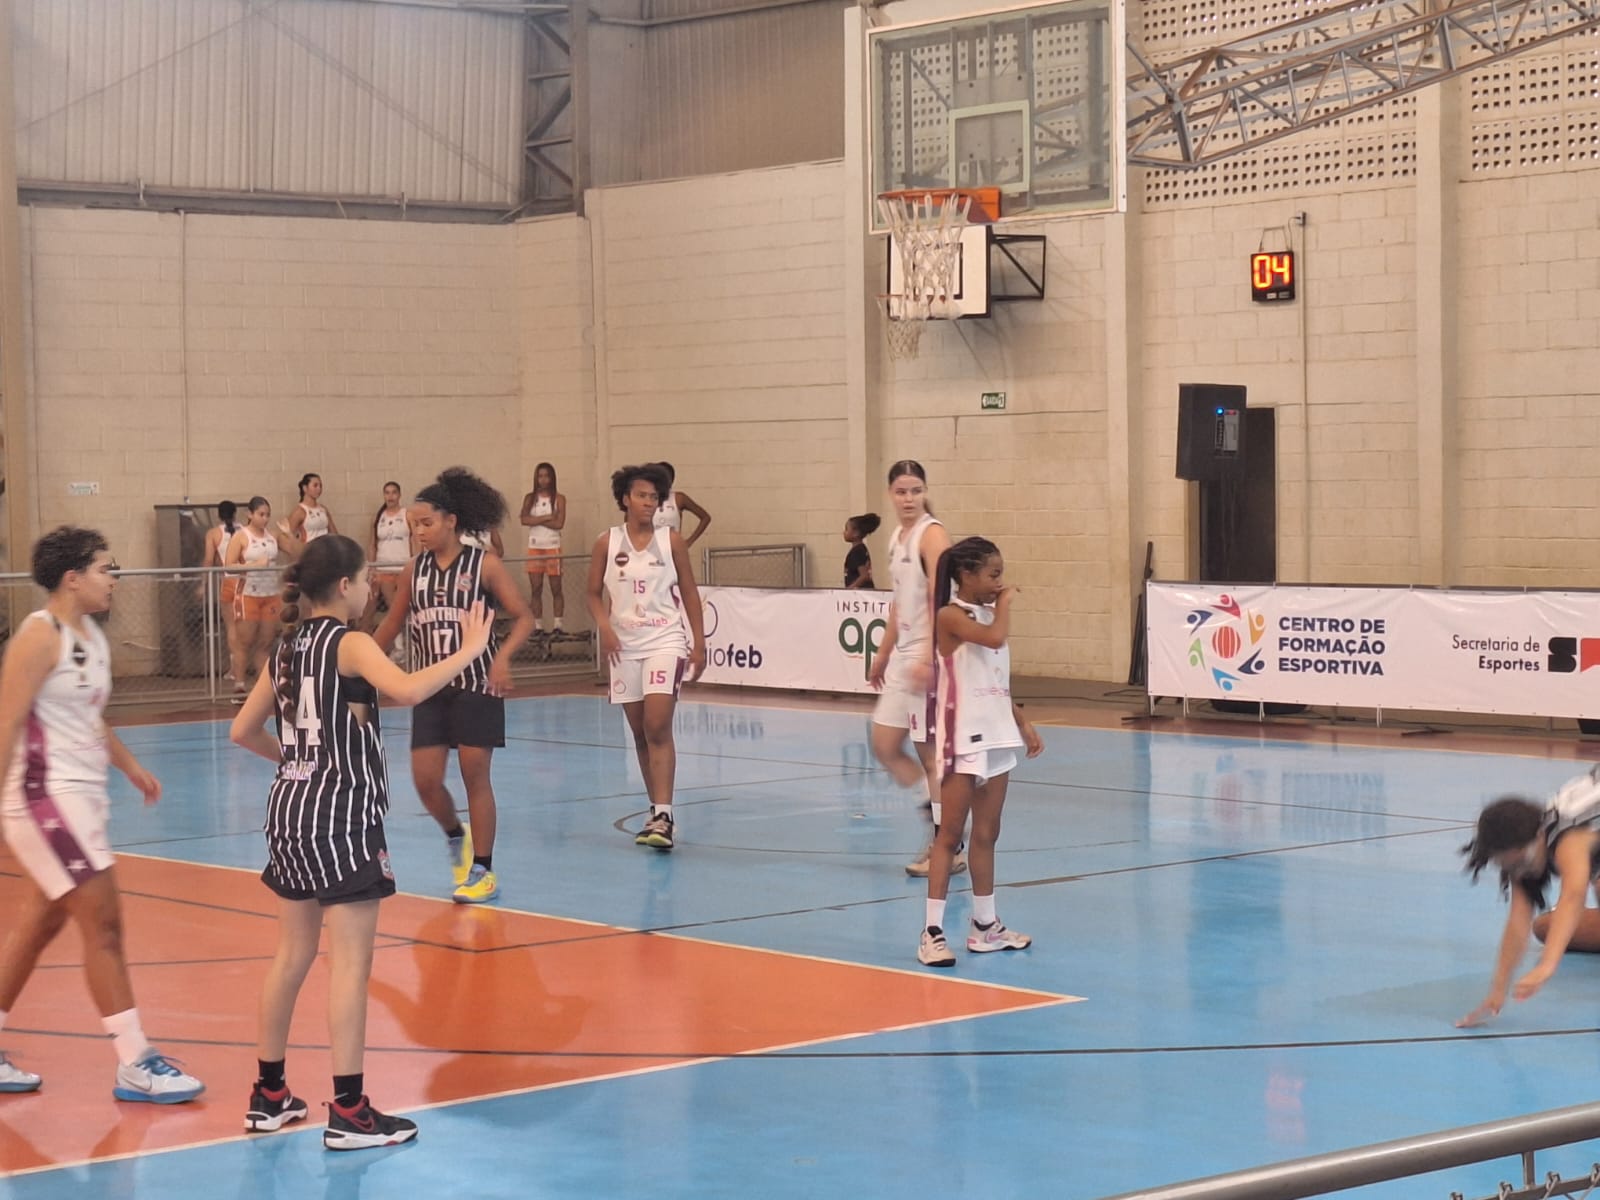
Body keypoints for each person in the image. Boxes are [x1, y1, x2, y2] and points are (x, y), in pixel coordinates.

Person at [231, 535, 493, 1149]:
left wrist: (297, 758)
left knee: (290, 956)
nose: (372, 585)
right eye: (367, 577)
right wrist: (471, 649)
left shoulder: (289, 646)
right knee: (350, 964)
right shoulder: (348, 643)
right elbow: (405, 690)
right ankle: (348, 1110)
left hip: (289, 810)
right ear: (346, 586)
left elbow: (244, 729)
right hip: (340, 815)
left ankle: (269, 1095)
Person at [0, 527, 205, 1102]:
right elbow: (7, 722)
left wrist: (130, 766)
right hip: (42, 801)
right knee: (105, 925)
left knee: (40, 924)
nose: (112, 579)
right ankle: (135, 1060)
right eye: (103, 569)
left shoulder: (91, 636)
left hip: (81, 800)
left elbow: (88, 717)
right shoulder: (38, 637)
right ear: (72, 578)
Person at [374, 468, 535, 903]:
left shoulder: (485, 565)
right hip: (428, 688)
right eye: (414, 526)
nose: (419, 532)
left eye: (426, 523)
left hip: (476, 683)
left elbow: (524, 617)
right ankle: (455, 835)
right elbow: (391, 624)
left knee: (474, 775)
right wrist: (361, 663)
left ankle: (483, 868)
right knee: (425, 781)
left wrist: (502, 658)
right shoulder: (413, 571)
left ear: (451, 520)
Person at [917, 536, 1043, 968]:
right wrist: (1006, 603)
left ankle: (985, 927)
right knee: (949, 835)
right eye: (992, 575)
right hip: (962, 737)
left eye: (1001, 576)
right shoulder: (950, 617)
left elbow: (994, 677)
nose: (999, 583)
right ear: (966, 576)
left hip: (996, 735)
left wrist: (1022, 722)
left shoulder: (988, 615)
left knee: (988, 834)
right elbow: (992, 639)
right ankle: (932, 932)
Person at [586, 464, 707, 851]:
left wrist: (699, 642)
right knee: (639, 733)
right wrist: (604, 626)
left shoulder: (671, 542)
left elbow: (689, 592)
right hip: (624, 646)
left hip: (664, 640)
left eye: (655, 497)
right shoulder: (608, 542)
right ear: (625, 498)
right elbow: (591, 593)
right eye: (642, 495)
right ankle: (655, 809)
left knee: (657, 724)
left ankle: (666, 813)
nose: (649, 503)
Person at [865, 461, 956, 877]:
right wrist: (884, 652)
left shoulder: (931, 534)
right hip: (905, 654)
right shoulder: (895, 537)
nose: (908, 499)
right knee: (884, 745)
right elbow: (901, 601)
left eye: (915, 491)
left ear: (924, 492)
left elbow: (941, 597)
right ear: (889, 493)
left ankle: (945, 843)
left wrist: (929, 655)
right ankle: (944, 823)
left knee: (930, 755)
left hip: (928, 653)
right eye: (901, 491)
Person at [1457, 772, 1600, 1027]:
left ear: (1539, 838)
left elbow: (1573, 896)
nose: (1518, 873)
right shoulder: (1525, 854)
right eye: (1508, 867)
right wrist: (1497, 991)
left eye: (1520, 862)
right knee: (1546, 927)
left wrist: (1547, 966)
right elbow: (1518, 923)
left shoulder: (1570, 840)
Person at [227, 497, 301, 700]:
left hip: (270, 595)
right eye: (261, 514)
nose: (265, 518)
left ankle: (263, 687)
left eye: (267, 514)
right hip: (248, 594)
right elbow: (228, 565)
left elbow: (298, 553)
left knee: (266, 642)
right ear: (250, 514)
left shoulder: (273, 536)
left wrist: (288, 534)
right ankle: (240, 684)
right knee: (245, 641)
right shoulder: (241, 537)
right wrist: (253, 565)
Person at [519, 462, 567, 635]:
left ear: (552, 477)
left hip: (552, 547)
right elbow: (524, 519)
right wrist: (547, 517)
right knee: (536, 588)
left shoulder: (559, 498)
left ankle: (558, 625)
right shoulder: (530, 498)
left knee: (556, 588)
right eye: (540, 476)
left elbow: (559, 523)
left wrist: (536, 519)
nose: (543, 479)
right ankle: (538, 626)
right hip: (535, 547)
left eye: (546, 476)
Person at [203, 500, 244, 682]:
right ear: (235, 513)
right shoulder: (246, 530)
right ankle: (242, 666)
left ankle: (236, 668)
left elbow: (209, 561)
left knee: (231, 626)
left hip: (229, 581)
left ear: (218, 515)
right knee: (247, 625)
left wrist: (202, 584)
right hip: (247, 581)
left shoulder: (213, 534)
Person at [367, 482, 413, 632]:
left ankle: (405, 644)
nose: (390, 496)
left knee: (403, 607)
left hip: (402, 568)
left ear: (399, 495)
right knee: (392, 607)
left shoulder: (407, 514)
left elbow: (416, 540)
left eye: (394, 492)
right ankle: (398, 645)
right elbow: (372, 544)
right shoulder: (378, 517)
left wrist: (415, 562)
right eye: (387, 492)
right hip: (384, 569)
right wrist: (371, 568)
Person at [650, 461, 712, 548]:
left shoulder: (679, 498)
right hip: (650, 551)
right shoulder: (646, 499)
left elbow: (705, 517)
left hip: (673, 551)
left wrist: (689, 542)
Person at [288, 473, 338, 544]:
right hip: (309, 551)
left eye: (320, 486)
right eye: (315, 485)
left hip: (325, 550)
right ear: (305, 488)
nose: (319, 489)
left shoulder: (323, 509)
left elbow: (334, 534)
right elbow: (287, 535)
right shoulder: (299, 511)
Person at [843, 512, 880, 589]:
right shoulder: (860, 549)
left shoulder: (857, 552)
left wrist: (849, 589)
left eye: (846, 529)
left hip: (861, 593)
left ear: (856, 533)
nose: (844, 532)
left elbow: (864, 575)